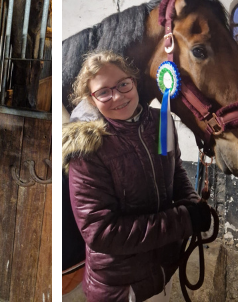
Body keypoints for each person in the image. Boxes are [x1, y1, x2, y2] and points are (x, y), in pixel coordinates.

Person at [63, 51, 211, 302]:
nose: (118, 96)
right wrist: (185, 220)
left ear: (133, 81)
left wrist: (192, 202)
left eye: (123, 84)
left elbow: (174, 172)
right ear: (91, 99)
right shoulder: (87, 150)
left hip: (165, 269)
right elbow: (101, 233)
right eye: (103, 92)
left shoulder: (161, 121)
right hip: (123, 287)